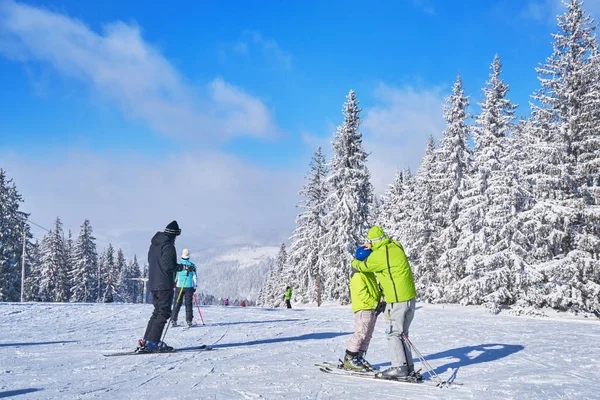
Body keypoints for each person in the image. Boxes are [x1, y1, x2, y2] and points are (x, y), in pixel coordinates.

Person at [352, 225, 417, 380]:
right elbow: (383, 247)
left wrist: (355, 261)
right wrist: (374, 246)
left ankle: (399, 368)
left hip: (397, 300)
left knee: (393, 333)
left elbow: (362, 265)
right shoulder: (395, 246)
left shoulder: (380, 255)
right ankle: (407, 367)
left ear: (373, 241)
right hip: (410, 299)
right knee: (402, 334)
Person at [138, 221, 182, 352]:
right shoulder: (168, 246)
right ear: (174, 235)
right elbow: (169, 266)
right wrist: (181, 267)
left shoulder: (154, 244)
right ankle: (153, 342)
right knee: (163, 312)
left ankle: (147, 340)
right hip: (164, 284)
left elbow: (151, 261)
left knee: (157, 311)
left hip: (154, 282)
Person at [342, 246, 383, 372]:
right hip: (364, 308)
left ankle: (359, 357)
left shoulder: (368, 273)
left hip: (371, 308)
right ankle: (350, 358)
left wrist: (381, 301)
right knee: (361, 333)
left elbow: (374, 290)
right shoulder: (358, 275)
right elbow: (362, 293)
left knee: (367, 335)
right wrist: (375, 303)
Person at [171, 248, 197, 328]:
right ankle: (189, 320)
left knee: (177, 303)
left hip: (179, 286)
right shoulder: (192, 265)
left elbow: (175, 276)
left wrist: (173, 284)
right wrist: (194, 286)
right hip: (189, 286)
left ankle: (173, 319)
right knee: (188, 304)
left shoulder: (179, 265)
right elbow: (195, 277)